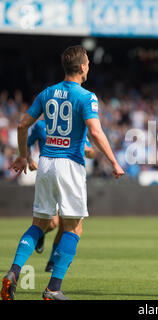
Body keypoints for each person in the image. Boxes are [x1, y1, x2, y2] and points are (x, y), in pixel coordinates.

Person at [1, 45, 124, 300]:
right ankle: (53, 288)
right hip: (69, 166)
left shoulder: (47, 93)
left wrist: (23, 156)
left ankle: (13, 273)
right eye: (88, 63)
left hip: (45, 164)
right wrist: (113, 161)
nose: (89, 66)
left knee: (39, 224)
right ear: (81, 67)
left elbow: (23, 124)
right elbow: (95, 132)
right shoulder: (86, 96)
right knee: (74, 228)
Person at [27, 118, 96, 273]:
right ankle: (40, 233)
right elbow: (28, 141)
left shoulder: (74, 125)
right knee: (52, 224)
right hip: (50, 174)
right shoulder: (40, 125)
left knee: (66, 225)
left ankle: (52, 261)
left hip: (68, 176)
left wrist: (85, 149)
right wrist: (29, 159)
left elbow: (91, 152)